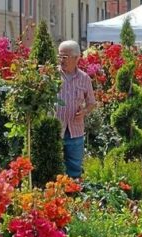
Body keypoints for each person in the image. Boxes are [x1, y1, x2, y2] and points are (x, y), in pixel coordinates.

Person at [56, 40, 96, 178]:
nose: (61, 60)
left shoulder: (84, 78)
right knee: (54, 167)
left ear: (76, 58)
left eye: (65, 57)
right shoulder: (52, 75)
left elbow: (91, 103)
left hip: (75, 130)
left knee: (74, 168)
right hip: (56, 130)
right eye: (59, 56)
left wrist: (84, 112)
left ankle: (73, 196)